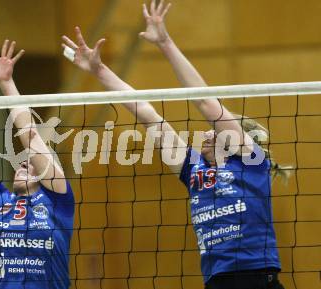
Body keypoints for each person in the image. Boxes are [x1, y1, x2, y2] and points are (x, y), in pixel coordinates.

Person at [61, 1, 288, 288]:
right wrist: (99, 70)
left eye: (213, 132)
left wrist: (165, 41)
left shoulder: (250, 162)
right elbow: (146, 113)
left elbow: (205, 101)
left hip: (258, 280)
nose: (206, 135)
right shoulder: (194, 170)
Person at [0, 40, 74, 289]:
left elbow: (30, 135)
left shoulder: (58, 201)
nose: (25, 163)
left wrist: (6, 82)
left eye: (33, 163)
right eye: (23, 163)